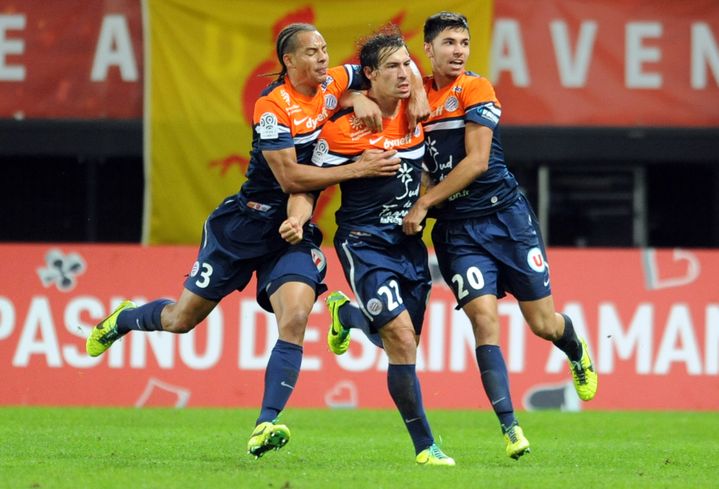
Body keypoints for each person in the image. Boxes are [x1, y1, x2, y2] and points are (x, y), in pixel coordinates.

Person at [84, 22, 427, 460]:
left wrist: (398, 92)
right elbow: (289, 177)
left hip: (293, 230)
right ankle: (126, 319)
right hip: (245, 226)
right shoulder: (272, 107)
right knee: (180, 320)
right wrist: (358, 169)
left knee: (297, 316)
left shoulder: (335, 82)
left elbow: (396, 65)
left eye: (325, 50)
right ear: (289, 61)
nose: (324, 58)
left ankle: (265, 423)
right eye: (312, 52)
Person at [398, 12, 598, 459]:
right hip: (458, 232)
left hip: (506, 219)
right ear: (427, 50)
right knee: (483, 320)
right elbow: (364, 76)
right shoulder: (413, 96)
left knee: (542, 324)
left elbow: (476, 162)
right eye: (448, 42)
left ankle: (575, 347)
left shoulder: (475, 88)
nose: (459, 51)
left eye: (464, 42)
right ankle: (511, 429)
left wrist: (424, 203)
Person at [292, 25, 454, 467]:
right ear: (369, 75)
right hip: (364, 244)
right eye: (394, 67)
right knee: (400, 339)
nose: (405, 73)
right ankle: (426, 447)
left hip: (409, 246)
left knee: (402, 342)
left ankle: (346, 315)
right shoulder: (342, 131)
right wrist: (297, 217)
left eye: (408, 65)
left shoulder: (419, 111)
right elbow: (308, 185)